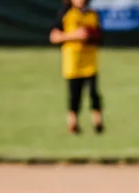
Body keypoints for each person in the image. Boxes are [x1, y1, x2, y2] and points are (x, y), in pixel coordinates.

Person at [49, 0, 104, 135]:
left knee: (93, 93)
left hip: (90, 61)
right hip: (73, 61)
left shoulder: (92, 14)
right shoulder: (66, 13)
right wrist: (74, 35)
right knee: (75, 95)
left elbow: (99, 35)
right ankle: (73, 123)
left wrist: (91, 36)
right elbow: (54, 37)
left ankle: (98, 122)